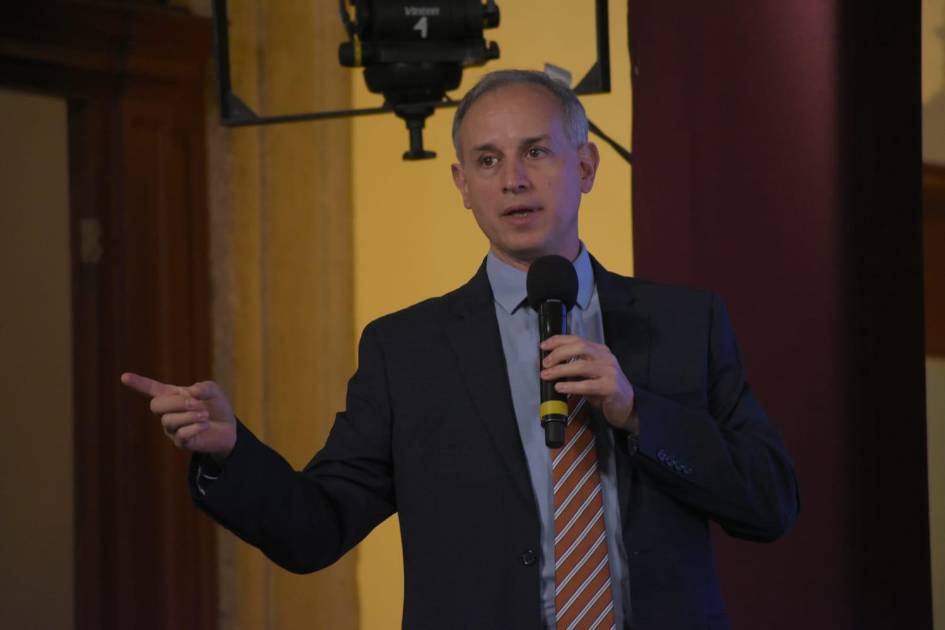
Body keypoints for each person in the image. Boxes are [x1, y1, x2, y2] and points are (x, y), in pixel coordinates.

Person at [122, 69, 798, 630]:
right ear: (462, 185)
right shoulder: (405, 351)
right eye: (487, 160)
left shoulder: (683, 324)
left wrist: (637, 412)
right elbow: (316, 530)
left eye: (536, 152)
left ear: (585, 165)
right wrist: (232, 452)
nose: (512, 180)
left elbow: (770, 503)